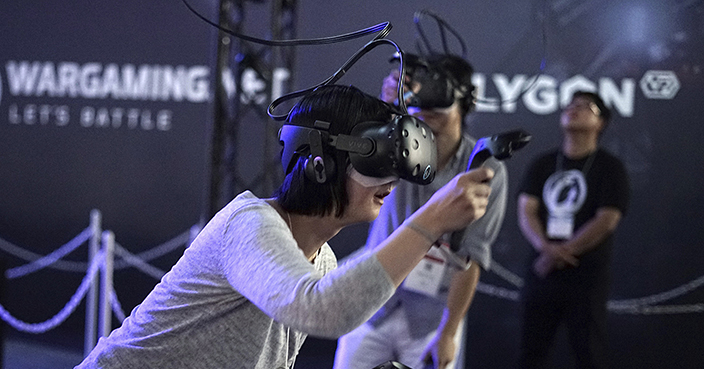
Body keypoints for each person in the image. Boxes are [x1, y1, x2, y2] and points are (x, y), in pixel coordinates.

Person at [75, 84, 495, 369]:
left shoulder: (323, 261)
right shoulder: (248, 225)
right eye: (375, 162)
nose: (390, 181)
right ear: (319, 164)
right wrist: (431, 220)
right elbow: (324, 310)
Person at [334, 54, 508, 369]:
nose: (424, 106)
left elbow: (471, 257)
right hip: (372, 303)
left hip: (432, 316)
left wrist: (448, 332)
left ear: (463, 98)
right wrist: (387, 106)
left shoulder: (484, 165)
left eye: (437, 93)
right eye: (419, 93)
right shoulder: (394, 140)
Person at [516, 91, 630, 368]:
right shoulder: (543, 163)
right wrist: (545, 248)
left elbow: (607, 219)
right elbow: (526, 210)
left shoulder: (610, 167)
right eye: (570, 105)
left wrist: (562, 252)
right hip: (542, 273)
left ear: (600, 122)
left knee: (588, 353)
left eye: (584, 107)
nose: (573, 110)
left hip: (585, 276)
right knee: (531, 354)